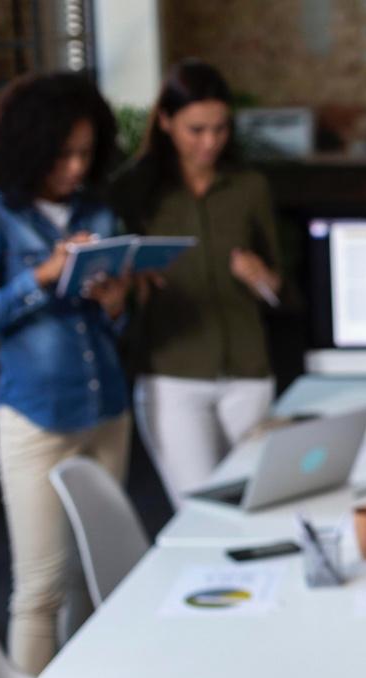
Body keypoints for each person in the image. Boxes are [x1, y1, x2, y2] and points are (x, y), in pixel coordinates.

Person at [0, 73, 131, 675]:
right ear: (29, 148)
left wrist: (116, 305)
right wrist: (39, 279)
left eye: (87, 152)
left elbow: (113, 327)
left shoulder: (98, 210)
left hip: (107, 413)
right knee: (41, 589)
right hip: (36, 420)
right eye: (63, 153)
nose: (75, 166)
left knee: (99, 578)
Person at [109, 60, 283, 508]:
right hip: (173, 376)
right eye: (196, 129)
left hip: (248, 372)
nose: (210, 142)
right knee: (202, 511)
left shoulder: (249, 187)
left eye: (220, 129)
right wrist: (133, 286)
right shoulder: (132, 192)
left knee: (261, 503)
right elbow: (112, 290)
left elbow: (282, 285)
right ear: (165, 122)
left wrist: (262, 278)